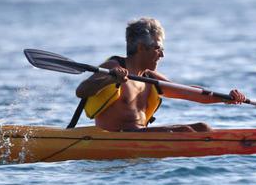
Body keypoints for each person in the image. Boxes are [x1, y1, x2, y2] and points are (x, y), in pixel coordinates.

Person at [75, 17, 245, 132]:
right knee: (185, 131)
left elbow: (190, 92)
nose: (162, 55)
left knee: (203, 128)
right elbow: (81, 91)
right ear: (141, 48)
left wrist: (225, 98)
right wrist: (110, 79)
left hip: (141, 135)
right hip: (113, 138)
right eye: (158, 49)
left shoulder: (150, 78)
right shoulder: (113, 66)